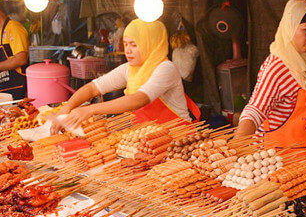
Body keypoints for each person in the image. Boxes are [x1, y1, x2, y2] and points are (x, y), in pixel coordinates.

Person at [51, 19, 200, 133]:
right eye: (126, 44)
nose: (127, 50)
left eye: (134, 45)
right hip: (147, 141)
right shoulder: (130, 69)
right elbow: (92, 88)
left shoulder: (165, 68)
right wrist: (67, 108)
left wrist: (90, 109)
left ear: (150, 44)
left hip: (178, 138)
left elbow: (139, 99)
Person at [235, 0, 306, 157]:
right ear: (291, 28)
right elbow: (255, 110)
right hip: (274, 159)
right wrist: (235, 148)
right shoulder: (277, 68)